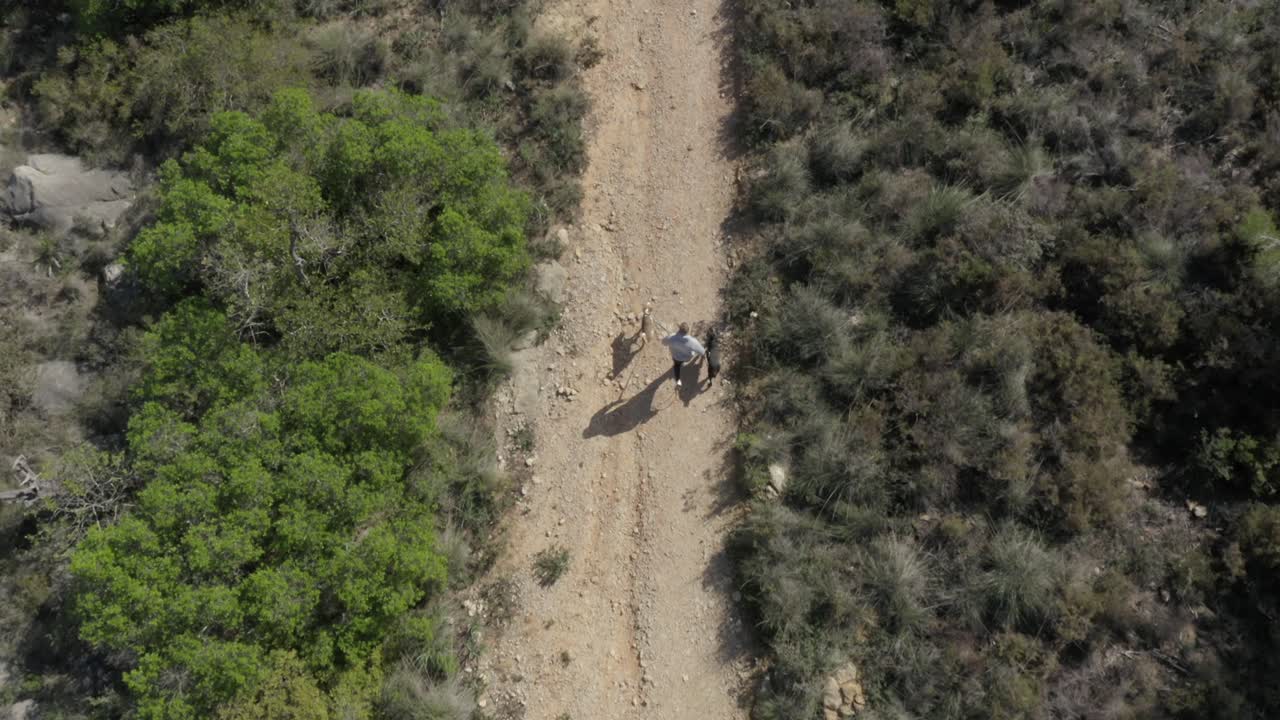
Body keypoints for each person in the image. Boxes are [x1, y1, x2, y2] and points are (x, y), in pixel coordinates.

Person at [662, 322, 705, 388]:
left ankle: (678, 381)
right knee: (683, 361)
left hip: (675, 356)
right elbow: (702, 351)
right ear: (687, 331)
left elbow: (663, 342)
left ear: (679, 329)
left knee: (676, 366)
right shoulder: (692, 341)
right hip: (686, 358)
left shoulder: (671, 337)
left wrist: (671, 336)